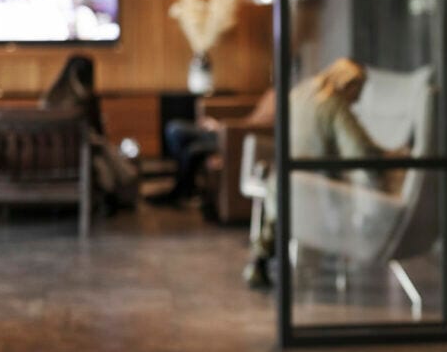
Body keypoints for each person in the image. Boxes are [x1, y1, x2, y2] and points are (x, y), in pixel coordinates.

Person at [243, 57, 387, 289]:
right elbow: (359, 150)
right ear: (348, 83)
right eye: (358, 90)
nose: (358, 98)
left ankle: (261, 259)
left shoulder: (298, 94)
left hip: (281, 180)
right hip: (316, 186)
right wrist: (386, 160)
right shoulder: (333, 104)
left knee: (277, 216)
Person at [41, 55, 138, 212]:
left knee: (100, 155)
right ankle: (122, 185)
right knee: (100, 155)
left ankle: (119, 188)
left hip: (59, 158)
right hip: (76, 156)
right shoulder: (81, 102)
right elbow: (98, 133)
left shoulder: (49, 99)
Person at [147, 89, 276, 206]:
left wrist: (220, 127)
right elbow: (249, 122)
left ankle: (182, 189)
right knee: (177, 132)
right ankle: (184, 187)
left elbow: (256, 128)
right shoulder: (272, 93)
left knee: (185, 140)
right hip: (229, 133)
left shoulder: (280, 97)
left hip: (232, 137)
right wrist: (220, 125)